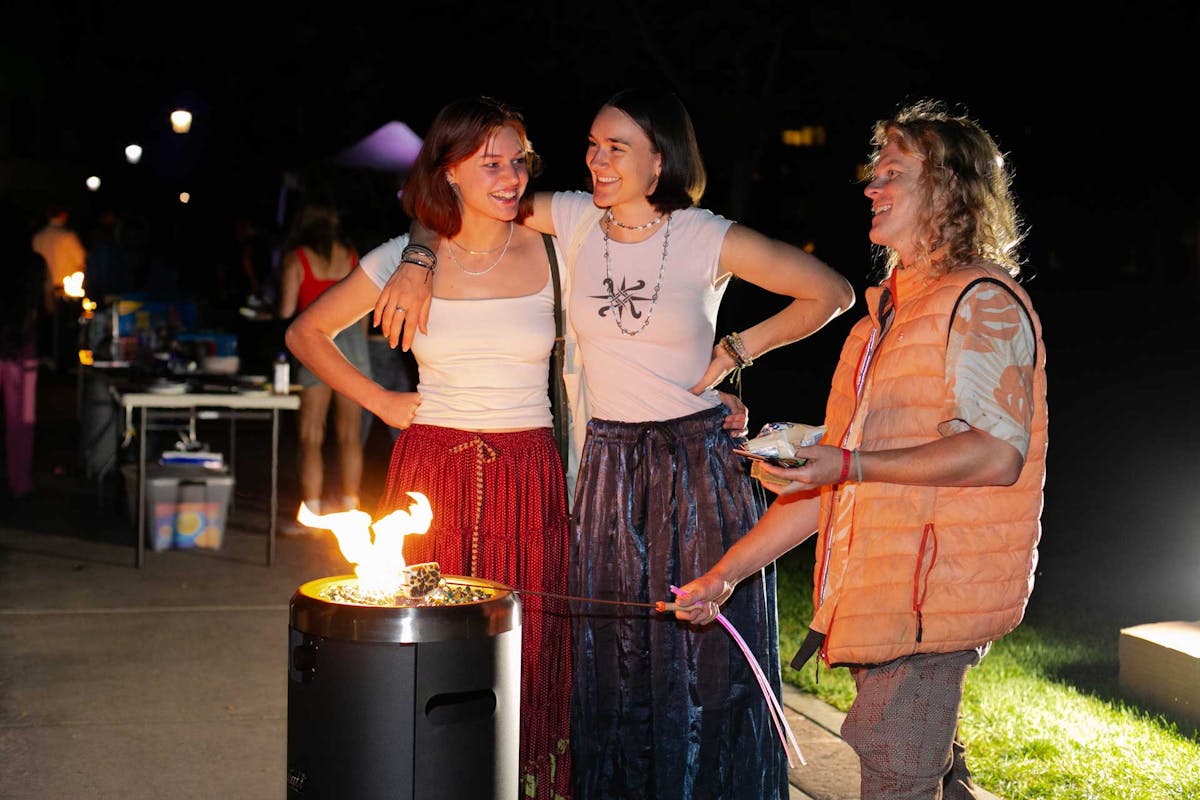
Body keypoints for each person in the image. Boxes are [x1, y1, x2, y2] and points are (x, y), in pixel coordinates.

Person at [374, 87, 855, 800]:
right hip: (609, 470)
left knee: (701, 663)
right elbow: (456, 197)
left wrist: (735, 349)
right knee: (613, 662)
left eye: (616, 148)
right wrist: (416, 259)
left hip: (695, 471)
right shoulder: (571, 217)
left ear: (659, 161)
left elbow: (832, 291)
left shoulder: (704, 235)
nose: (595, 160)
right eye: (592, 146)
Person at [674, 99, 1048, 800]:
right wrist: (723, 574)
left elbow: (998, 454)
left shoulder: (983, 302)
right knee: (931, 775)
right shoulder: (884, 316)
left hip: (934, 604)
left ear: (947, 189)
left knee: (893, 773)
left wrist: (849, 462)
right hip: (887, 599)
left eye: (893, 174)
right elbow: (837, 483)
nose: (871, 187)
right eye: (873, 172)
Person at [285, 96, 574, 799]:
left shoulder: (556, 245)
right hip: (431, 476)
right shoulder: (404, 258)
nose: (511, 178)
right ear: (448, 174)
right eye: (491, 164)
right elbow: (305, 334)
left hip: (529, 472)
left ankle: (522, 782)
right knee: (427, 651)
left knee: (530, 649)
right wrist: (382, 401)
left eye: (519, 162)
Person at [277, 203, 372, 518]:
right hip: (354, 345)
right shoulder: (351, 255)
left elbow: (287, 310)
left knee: (311, 434)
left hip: (315, 341)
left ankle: (314, 510)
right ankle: (350, 505)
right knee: (349, 434)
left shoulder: (298, 259)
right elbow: (363, 315)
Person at [0, 208, 51, 504]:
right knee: (22, 420)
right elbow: (46, 306)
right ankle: (20, 480)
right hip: (24, 349)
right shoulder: (35, 264)